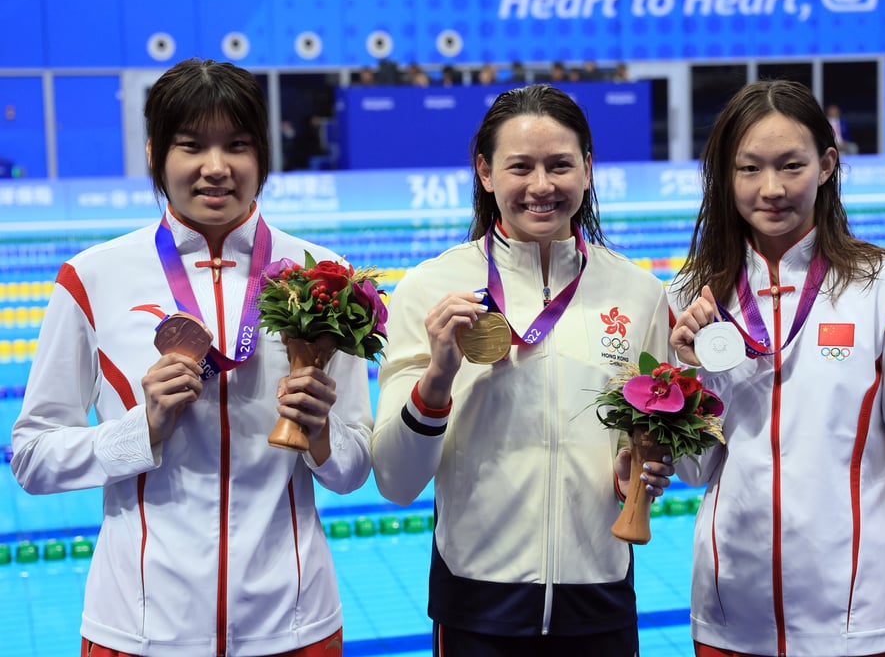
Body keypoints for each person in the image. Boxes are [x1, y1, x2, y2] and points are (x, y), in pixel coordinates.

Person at [10, 58, 373, 656]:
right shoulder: (94, 278)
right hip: (140, 626)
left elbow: (354, 469)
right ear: (156, 153)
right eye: (190, 146)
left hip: (294, 622)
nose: (215, 168)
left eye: (237, 145)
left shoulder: (325, 279)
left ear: (263, 155)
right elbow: (31, 457)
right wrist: (139, 429)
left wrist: (323, 437)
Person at [668, 80, 885, 657]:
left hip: (861, 622)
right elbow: (694, 472)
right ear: (724, 175)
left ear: (828, 164)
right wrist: (696, 378)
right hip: (729, 617)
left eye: (792, 165)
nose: (772, 189)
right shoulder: (692, 297)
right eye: (749, 169)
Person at [371, 83, 673, 657]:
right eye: (520, 167)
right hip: (476, 601)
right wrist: (437, 377)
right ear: (485, 172)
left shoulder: (638, 294)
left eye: (560, 165)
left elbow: (656, 447)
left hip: (601, 595)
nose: (541, 186)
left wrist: (643, 466)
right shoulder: (430, 289)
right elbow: (394, 480)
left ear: (587, 169)